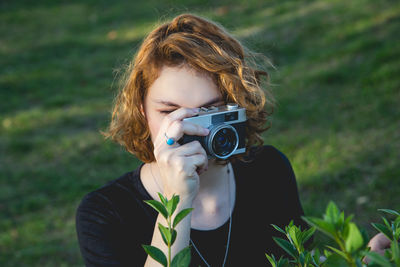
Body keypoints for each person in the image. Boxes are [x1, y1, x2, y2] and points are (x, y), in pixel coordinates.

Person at [75, 13, 386, 267]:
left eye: (210, 111)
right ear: (142, 110)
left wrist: (358, 261)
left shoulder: (268, 169)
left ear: (237, 107)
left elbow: (295, 260)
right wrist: (176, 202)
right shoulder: (106, 213)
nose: (189, 130)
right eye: (170, 112)